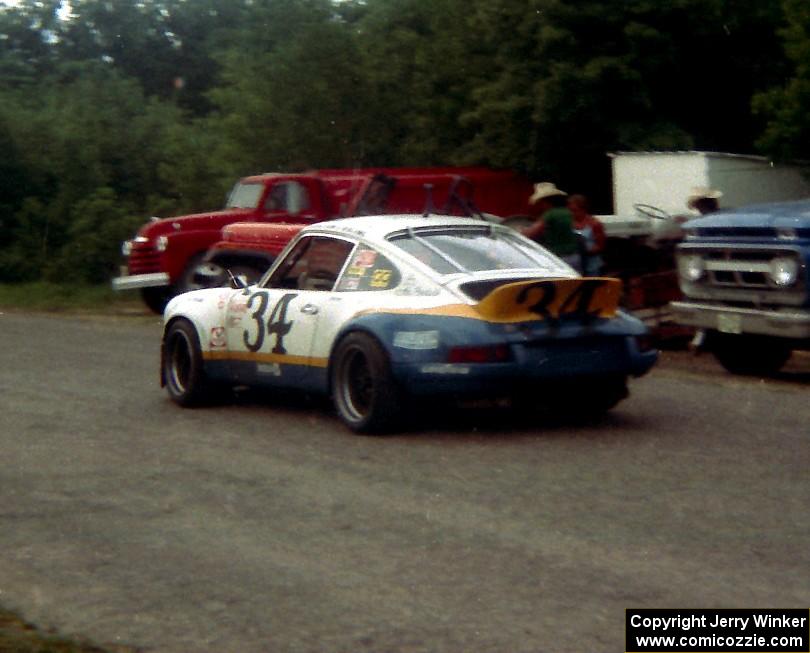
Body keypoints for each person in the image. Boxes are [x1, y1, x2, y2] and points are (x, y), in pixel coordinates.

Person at [522, 182, 580, 270]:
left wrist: (519, 232)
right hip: (574, 256)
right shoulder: (567, 212)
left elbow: (530, 233)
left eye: (540, 202)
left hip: (560, 259)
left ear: (546, 202)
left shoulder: (549, 215)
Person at [568, 194, 606, 276]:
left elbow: (600, 245)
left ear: (583, 209)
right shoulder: (568, 223)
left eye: (575, 210)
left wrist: (584, 251)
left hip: (592, 265)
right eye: (570, 210)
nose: (572, 213)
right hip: (574, 264)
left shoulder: (594, 223)